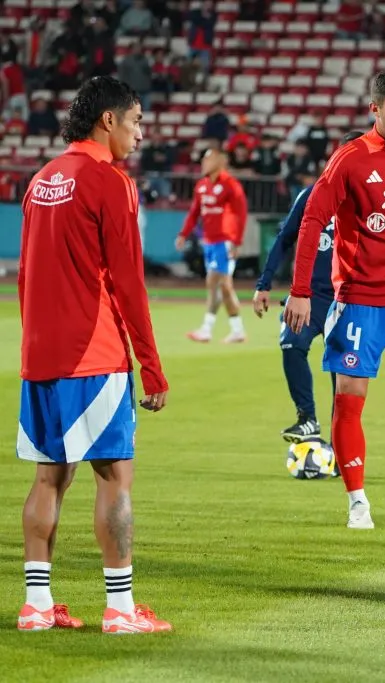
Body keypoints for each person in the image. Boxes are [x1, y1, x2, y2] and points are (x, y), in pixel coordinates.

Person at [16, 75, 171, 634]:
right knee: (114, 476)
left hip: (40, 355)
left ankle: (36, 605)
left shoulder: (42, 179)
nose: (138, 134)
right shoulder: (109, 180)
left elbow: (26, 276)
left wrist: (34, 344)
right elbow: (129, 282)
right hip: (94, 353)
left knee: (48, 479)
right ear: (108, 120)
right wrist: (151, 365)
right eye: (134, 122)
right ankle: (122, 611)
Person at [283, 72, 385, 529]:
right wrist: (300, 291)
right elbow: (313, 219)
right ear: (375, 109)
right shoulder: (350, 159)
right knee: (350, 400)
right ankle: (358, 501)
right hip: (359, 300)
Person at [253, 130, 363, 443]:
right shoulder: (313, 194)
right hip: (309, 297)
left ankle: (340, 444)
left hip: (348, 299)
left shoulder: (371, 201)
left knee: (342, 374)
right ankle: (307, 418)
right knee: (292, 344)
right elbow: (284, 238)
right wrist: (264, 284)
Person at [175, 147, 249, 344]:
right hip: (208, 242)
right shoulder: (201, 186)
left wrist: (236, 242)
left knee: (215, 283)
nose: (204, 164)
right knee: (223, 287)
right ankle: (237, 330)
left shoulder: (231, 186)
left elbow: (241, 216)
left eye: (208, 160)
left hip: (223, 242)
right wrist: (183, 233)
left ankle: (207, 329)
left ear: (221, 161)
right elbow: (194, 213)